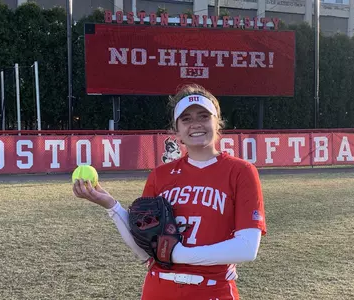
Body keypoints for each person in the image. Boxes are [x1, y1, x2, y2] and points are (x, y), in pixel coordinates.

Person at [73, 83, 267, 300]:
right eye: (186, 119)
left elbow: (247, 248)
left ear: (217, 122)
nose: (195, 124)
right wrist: (112, 206)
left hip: (212, 290)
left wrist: (179, 254)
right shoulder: (160, 175)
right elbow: (144, 250)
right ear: (177, 131)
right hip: (159, 289)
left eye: (203, 116)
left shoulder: (240, 171)